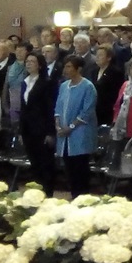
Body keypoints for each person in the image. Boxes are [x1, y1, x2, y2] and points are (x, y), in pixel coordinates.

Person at [55, 55, 98, 197]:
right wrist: (58, 125)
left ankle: (83, 199)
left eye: (68, 67)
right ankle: (74, 197)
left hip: (80, 135)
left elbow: (87, 112)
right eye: (65, 66)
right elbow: (58, 108)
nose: (65, 70)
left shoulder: (87, 86)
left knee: (80, 171)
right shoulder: (63, 86)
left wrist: (71, 127)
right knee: (69, 171)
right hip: (64, 136)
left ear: (78, 69)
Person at [20, 52, 58, 190]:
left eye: (32, 61)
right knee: (34, 163)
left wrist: (50, 132)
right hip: (28, 130)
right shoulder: (25, 82)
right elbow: (23, 108)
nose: (29, 64)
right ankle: (37, 192)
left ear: (40, 65)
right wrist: (21, 131)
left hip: (42, 129)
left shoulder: (47, 83)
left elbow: (50, 109)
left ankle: (47, 192)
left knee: (45, 163)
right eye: (27, 61)